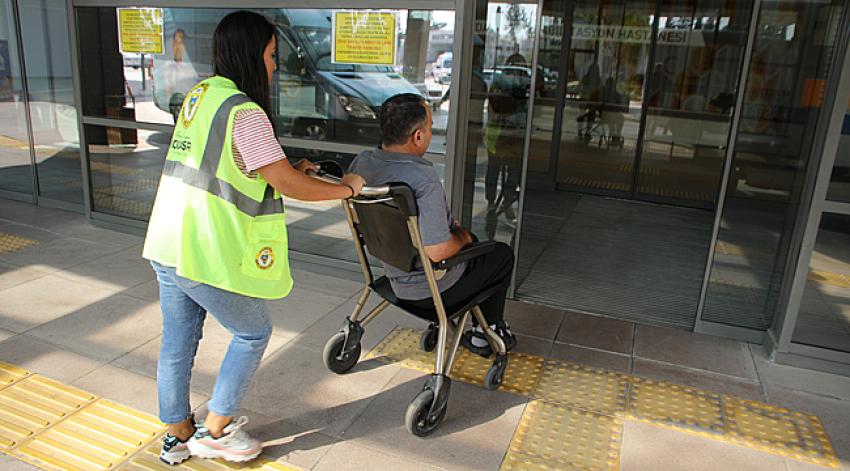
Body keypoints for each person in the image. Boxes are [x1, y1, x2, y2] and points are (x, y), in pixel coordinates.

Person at [142, 11, 365, 465]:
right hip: (200, 249)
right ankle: (216, 430)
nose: (275, 66)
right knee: (253, 330)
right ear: (250, 54)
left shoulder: (202, 94)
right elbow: (286, 183)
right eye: (271, 55)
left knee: (177, 340)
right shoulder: (245, 111)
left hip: (165, 240)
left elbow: (225, 162)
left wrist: (285, 166)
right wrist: (347, 189)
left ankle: (177, 436)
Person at [348, 93, 517, 358]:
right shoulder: (422, 180)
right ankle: (486, 332)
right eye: (429, 128)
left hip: (392, 276)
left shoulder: (362, 163)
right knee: (499, 254)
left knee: (470, 246)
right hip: (431, 290)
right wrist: (462, 236)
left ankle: (459, 324)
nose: (429, 133)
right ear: (417, 136)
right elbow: (438, 252)